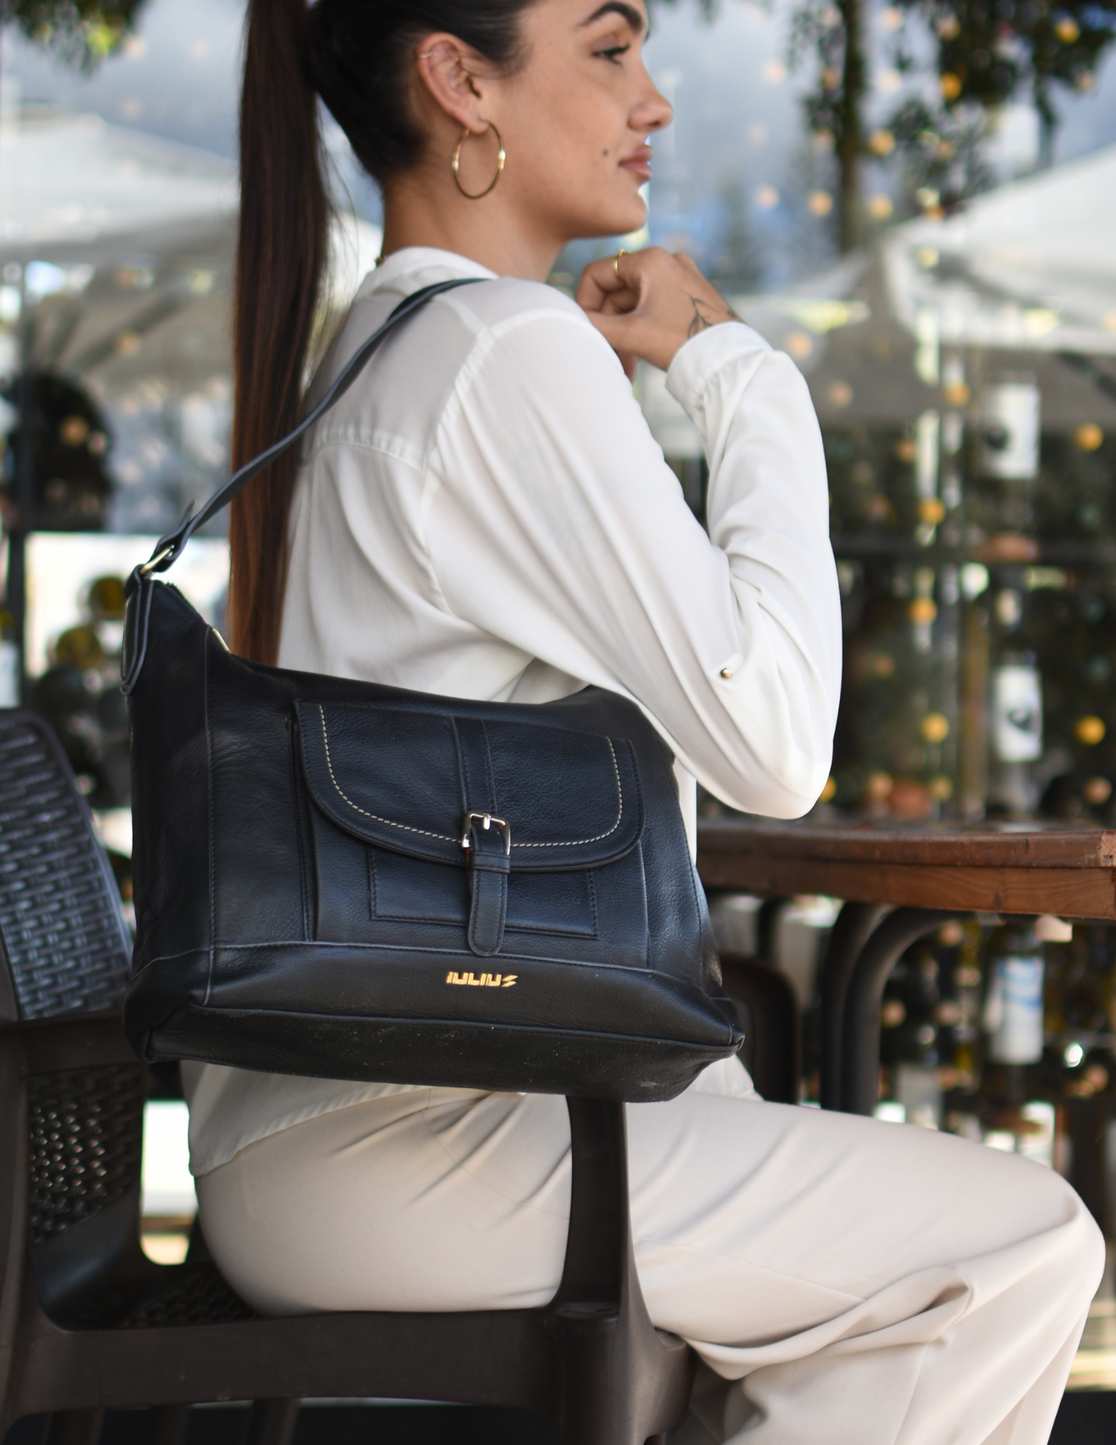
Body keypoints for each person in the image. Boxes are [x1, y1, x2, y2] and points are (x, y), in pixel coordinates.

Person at [182, 0, 1107, 1439]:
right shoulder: (501, 350)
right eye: (611, 49)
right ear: (460, 82)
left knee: (895, 1271)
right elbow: (777, 743)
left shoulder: (379, 347)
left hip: (336, 1134)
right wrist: (746, 376)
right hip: (424, 1143)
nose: (656, 99)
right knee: (1010, 1251)